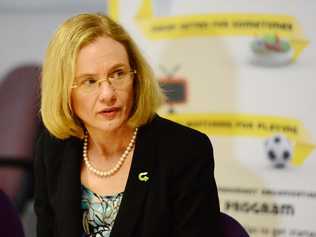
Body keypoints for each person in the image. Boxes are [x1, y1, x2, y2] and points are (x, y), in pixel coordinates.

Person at [34, 12, 221, 237]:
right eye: (90, 81)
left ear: (136, 77)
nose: (108, 94)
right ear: (63, 90)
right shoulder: (52, 148)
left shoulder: (185, 152)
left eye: (118, 74)